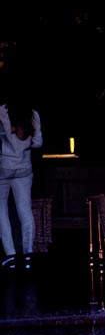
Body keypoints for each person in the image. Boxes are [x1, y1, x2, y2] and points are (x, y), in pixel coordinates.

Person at [0, 92, 42, 271]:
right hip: (24, 168)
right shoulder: (33, 114)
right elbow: (38, 143)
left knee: (1, 212)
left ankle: (10, 255)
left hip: (3, 168)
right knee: (25, 211)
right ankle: (28, 254)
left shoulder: (2, 112)